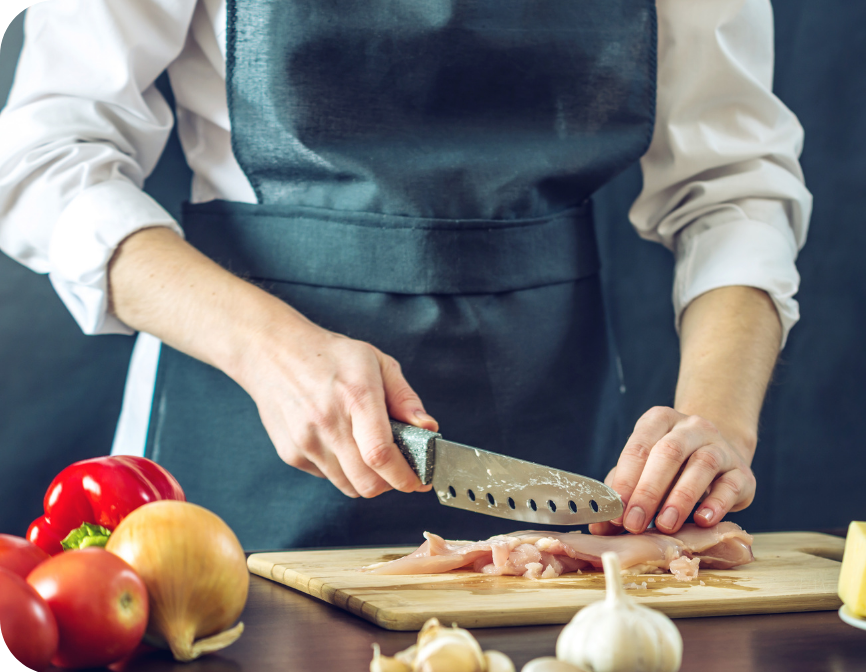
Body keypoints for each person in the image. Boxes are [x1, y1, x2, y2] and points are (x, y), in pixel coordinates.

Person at [0, 0, 811, 550]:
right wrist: (269, 352)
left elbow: (733, 187)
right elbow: (44, 160)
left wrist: (716, 425)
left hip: (563, 449)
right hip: (239, 437)